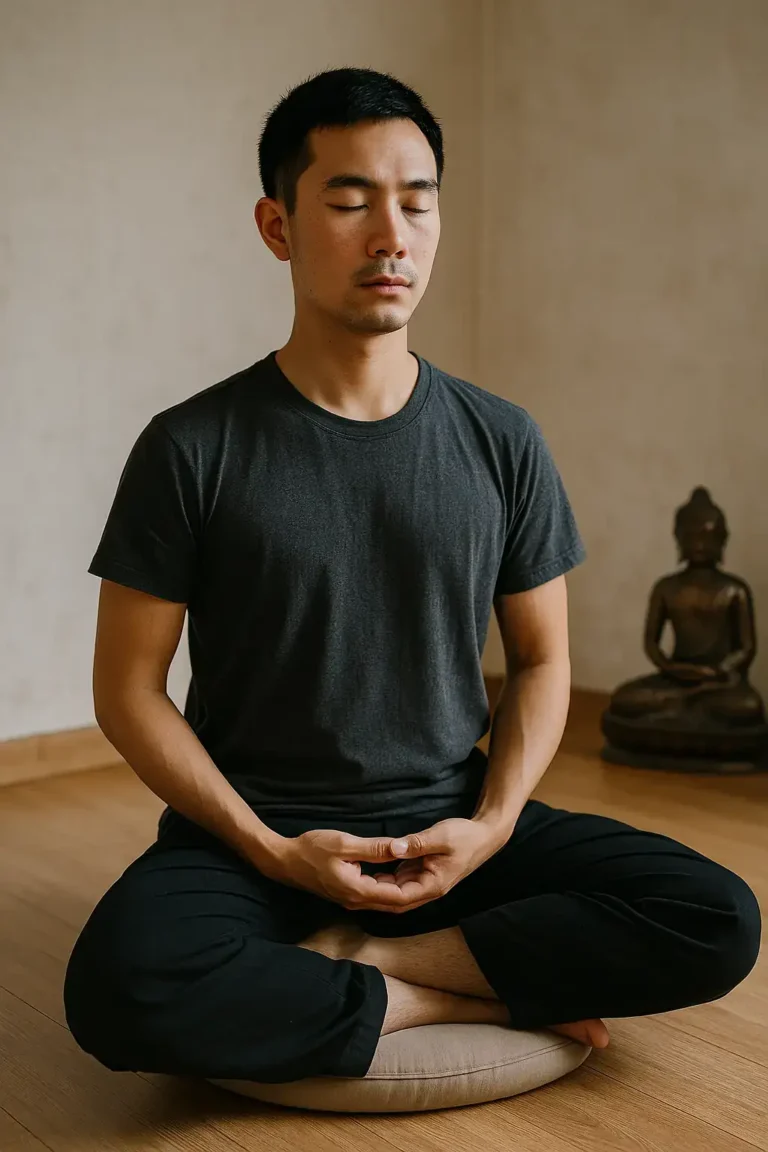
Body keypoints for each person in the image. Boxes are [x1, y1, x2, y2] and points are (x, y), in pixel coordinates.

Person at [63, 67, 761, 1085]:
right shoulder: (191, 447)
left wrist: (491, 827)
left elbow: (540, 660)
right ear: (278, 225)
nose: (391, 233)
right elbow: (128, 691)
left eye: (417, 201)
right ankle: (439, 989)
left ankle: (374, 969)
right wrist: (266, 846)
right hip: (259, 839)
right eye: (349, 201)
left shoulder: (503, 439)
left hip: (449, 826)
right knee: (116, 988)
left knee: (719, 916)